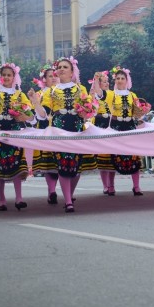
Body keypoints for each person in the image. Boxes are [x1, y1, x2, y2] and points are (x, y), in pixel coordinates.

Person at [29, 57, 95, 212]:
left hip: (77, 128)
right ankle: (68, 201)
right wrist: (35, 102)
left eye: (65, 67)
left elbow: (89, 110)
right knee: (63, 164)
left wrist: (87, 110)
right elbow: (43, 115)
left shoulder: (81, 89)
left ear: (72, 71)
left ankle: (69, 195)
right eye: (59, 67)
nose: (61, 69)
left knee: (76, 167)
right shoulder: (51, 91)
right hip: (59, 129)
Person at [0, 63, 35, 211]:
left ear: (14, 77)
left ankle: (19, 198)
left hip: (15, 131)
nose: (6, 77)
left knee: (17, 163)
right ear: (0, 77)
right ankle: (2, 199)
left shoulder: (20, 94)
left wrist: (23, 117)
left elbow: (31, 116)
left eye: (9, 75)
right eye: (3, 75)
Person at [91, 66, 151, 196]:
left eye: (122, 78)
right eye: (117, 78)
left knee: (133, 156)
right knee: (113, 155)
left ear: (126, 80)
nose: (119, 80)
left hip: (129, 125)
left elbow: (137, 113)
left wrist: (143, 110)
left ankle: (136, 186)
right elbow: (100, 94)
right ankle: (111, 187)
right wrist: (96, 81)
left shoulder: (132, 95)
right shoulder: (111, 94)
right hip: (116, 125)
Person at [31, 64, 61, 203]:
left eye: (55, 75)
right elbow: (39, 113)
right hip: (44, 129)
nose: (53, 78)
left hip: (58, 128)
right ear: (44, 79)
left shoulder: (60, 91)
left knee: (58, 161)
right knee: (49, 163)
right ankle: (52, 191)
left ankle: (57, 191)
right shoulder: (41, 93)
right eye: (50, 76)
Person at [90, 70, 117, 195]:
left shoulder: (112, 93)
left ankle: (111, 185)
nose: (107, 83)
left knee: (112, 157)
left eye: (107, 81)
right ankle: (105, 185)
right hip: (99, 124)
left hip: (110, 124)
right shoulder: (95, 94)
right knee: (102, 157)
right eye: (104, 82)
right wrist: (96, 80)